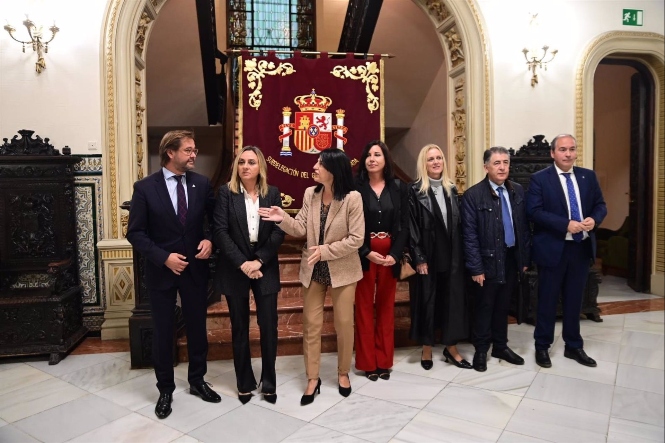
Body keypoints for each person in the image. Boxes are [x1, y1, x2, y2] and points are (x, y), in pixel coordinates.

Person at [126, 130, 220, 420]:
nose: (194, 155)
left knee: (197, 328)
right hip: (161, 272)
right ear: (170, 152)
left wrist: (210, 240)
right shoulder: (145, 188)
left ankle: (197, 381)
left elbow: (215, 221)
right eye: (188, 150)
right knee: (164, 331)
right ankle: (165, 389)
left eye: (194, 150)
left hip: (195, 270)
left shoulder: (201, 184)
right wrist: (164, 258)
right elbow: (135, 233)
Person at [258, 147, 364, 405]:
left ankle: (343, 373)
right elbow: (300, 228)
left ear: (334, 170)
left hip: (342, 269)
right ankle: (312, 378)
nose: (314, 167)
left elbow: (357, 239)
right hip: (313, 269)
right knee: (311, 325)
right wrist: (282, 218)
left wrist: (325, 251)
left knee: (343, 324)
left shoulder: (353, 198)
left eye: (320, 164)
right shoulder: (311, 194)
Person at [527, 134, 607, 368]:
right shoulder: (540, 179)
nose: (568, 154)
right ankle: (542, 346)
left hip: (580, 248)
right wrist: (565, 224)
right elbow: (534, 212)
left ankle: (573, 346)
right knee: (547, 301)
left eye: (572, 149)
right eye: (563, 149)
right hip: (553, 249)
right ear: (553, 153)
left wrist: (595, 219)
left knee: (574, 301)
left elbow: (600, 205)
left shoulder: (588, 176)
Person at [213, 146, 285, 404]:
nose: (245, 166)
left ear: (260, 167)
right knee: (240, 326)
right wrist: (243, 263)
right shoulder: (226, 193)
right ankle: (244, 381)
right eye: (241, 162)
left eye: (251, 162)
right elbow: (220, 231)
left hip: (265, 264)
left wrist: (259, 260)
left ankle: (269, 381)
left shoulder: (272, 193)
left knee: (269, 326)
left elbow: (279, 230)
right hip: (236, 266)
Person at [462, 147, 531, 372]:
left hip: (511, 258)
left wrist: (524, 259)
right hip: (487, 261)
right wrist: (476, 267)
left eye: (505, 163)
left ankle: (500, 346)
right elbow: (469, 236)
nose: (502, 167)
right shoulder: (473, 195)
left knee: (503, 305)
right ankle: (481, 350)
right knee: (485, 306)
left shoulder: (517, 191)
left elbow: (524, 228)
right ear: (486, 167)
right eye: (497, 163)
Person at [408, 144, 471, 370]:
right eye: (430, 159)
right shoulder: (414, 191)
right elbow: (411, 227)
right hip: (428, 256)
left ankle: (451, 347)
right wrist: (419, 257)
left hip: (452, 255)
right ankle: (426, 347)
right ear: (423, 164)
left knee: (451, 303)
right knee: (427, 302)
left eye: (439, 158)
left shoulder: (451, 189)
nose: (435, 162)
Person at [354, 140, 409, 381]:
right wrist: (365, 251)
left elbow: (405, 225)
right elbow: (349, 224)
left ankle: (384, 361)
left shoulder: (398, 187)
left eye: (377, 154)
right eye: (368, 155)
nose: (372, 159)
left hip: (390, 256)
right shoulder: (355, 187)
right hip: (363, 255)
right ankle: (368, 363)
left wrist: (394, 255)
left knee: (386, 308)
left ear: (386, 159)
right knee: (364, 308)